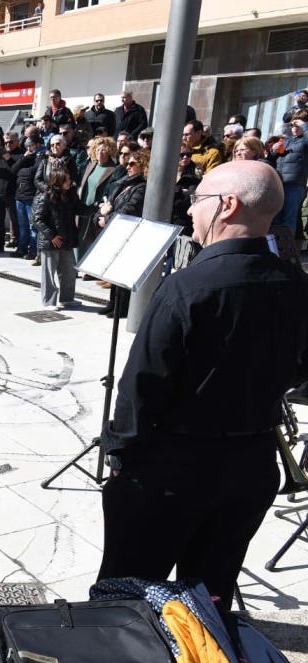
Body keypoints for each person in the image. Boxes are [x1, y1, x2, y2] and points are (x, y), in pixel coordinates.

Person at [97, 161, 308, 608]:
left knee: (128, 597)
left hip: (170, 470)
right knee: (209, 600)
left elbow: (142, 388)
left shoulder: (186, 288)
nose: (191, 211)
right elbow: (301, 372)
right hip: (252, 464)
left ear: (227, 206)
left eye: (199, 200)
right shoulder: (297, 283)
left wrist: (120, 456)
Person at [95, 149, 149, 318]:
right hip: (115, 231)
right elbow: (107, 204)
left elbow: (129, 210)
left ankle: (122, 307)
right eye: (127, 163)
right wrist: (100, 215)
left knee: (123, 272)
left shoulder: (141, 187)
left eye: (132, 163)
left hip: (129, 233)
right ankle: (112, 303)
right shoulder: (123, 183)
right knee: (112, 271)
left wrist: (107, 217)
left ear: (143, 165)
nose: (128, 167)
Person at [32, 165, 79, 311]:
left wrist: (98, 208)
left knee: (69, 271)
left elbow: (80, 208)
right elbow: (36, 219)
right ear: (58, 181)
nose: (70, 182)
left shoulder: (69, 195)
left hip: (67, 240)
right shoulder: (45, 196)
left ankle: (67, 298)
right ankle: (49, 301)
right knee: (49, 273)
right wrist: (51, 236)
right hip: (51, 241)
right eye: (67, 180)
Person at [76, 136, 118, 257]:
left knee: (91, 238)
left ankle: (87, 268)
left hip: (97, 208)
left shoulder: (112, 169)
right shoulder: (91, 165)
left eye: (103, 149)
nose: (100, 152)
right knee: (79, 235)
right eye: (98, 149)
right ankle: (76, 264)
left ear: (109, 151)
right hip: (83, 205)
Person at [273, 119, 308, 233]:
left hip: (294, 184)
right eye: (293, 126)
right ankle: (274, 248)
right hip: (279, 182)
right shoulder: (286, 140)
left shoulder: (305, 140)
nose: (295, 128)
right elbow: (271, 160)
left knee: (289, 218)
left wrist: (305, 126)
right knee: (275, 218)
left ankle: (287, 249)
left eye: (298, 126)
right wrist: (273, 152)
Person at [12, 135, 42, 261]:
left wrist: (24, 171)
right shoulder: (23, 157)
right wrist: (25, 157)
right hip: (19, 196)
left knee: (32, 226)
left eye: (31, 145)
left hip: (31, 196)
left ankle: (33, 251)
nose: (29, 148)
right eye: (27, 146)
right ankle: (21, 248)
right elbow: (13, 170)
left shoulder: (40, 157)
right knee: (22, 226)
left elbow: (33, 172)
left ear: (37, 145)